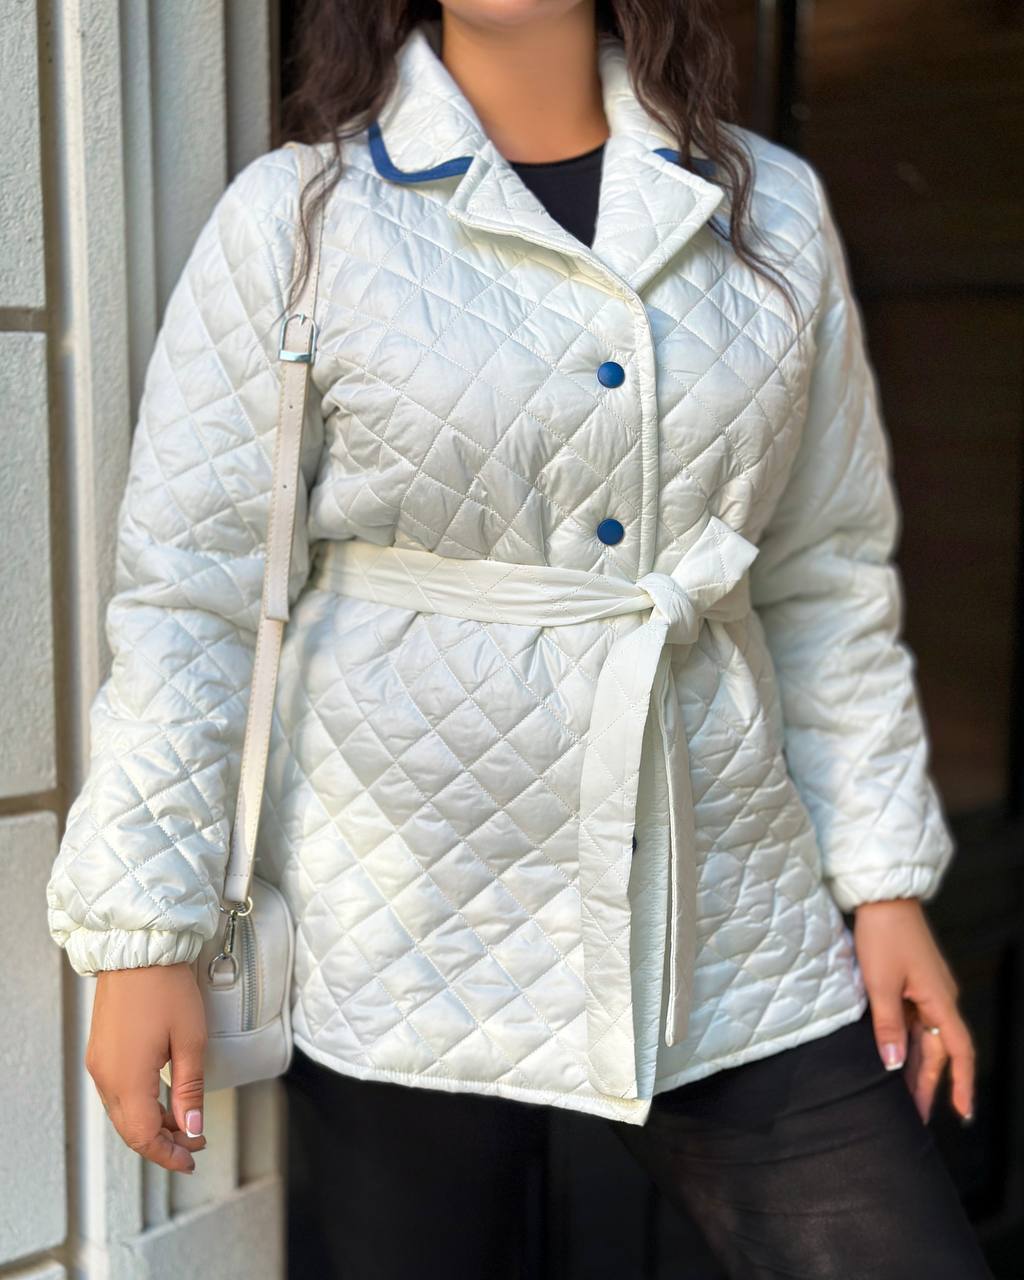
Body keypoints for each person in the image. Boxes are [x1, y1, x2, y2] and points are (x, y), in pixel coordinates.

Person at [45, 1, 992, 1276]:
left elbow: (821, 571)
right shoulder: (303, 214)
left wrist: (882, 882)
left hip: (721, 901)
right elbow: (189, 595)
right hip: (399, 920)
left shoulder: (768, 206)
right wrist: (147, 933)